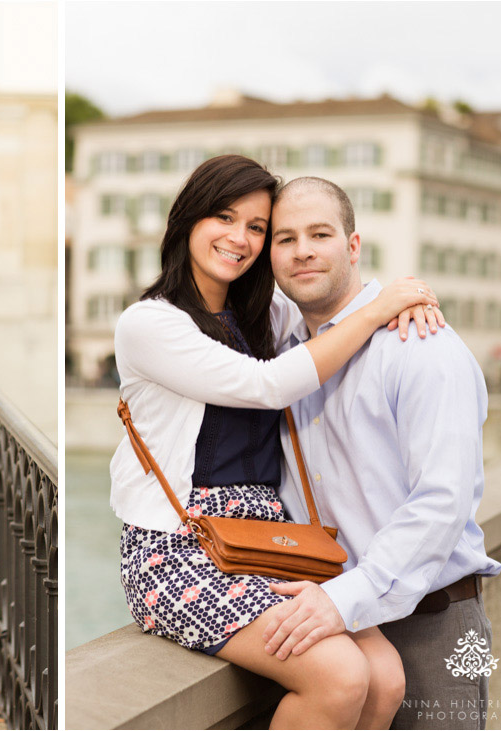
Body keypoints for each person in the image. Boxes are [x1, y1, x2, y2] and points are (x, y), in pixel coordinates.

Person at [111, 155, 442, 729]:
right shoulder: (150, 324)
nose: (240, 239)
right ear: (188, 220)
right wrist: (377, 310)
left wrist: (403, 297)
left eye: (257, 228)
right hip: (179, 548)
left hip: (272, 538)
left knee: (385, 678)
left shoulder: (262, 312)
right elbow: (267, 385)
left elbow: (329, 299)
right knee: (340, 676)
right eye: (223, 218)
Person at [263, 176, 501, 730]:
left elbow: (442, 502)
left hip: (431, 625)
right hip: (334, 633)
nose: (302, 251)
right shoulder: (286, 358)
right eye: (285, 238)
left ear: (353, 246)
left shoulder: (421, 345)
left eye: (319, 234)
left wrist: (345, 600)